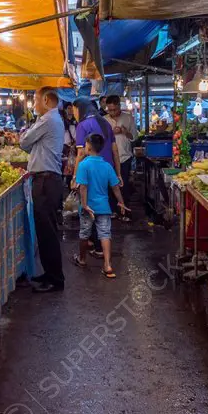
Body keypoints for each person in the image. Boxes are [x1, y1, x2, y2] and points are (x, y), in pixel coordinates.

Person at [20, 87, 66, 292]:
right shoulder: (51, 120)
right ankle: (50, 274)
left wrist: (25, 135)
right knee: (46, 230)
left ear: (46, 100)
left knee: (47, 231)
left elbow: (24, 142)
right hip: (48, 180)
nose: (34, 104)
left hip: (46, 181)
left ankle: (55, 279)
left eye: (36, 100)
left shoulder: (47, 120)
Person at [73, 133, 129, 279]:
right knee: (105, 234)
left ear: (89, 147)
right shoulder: (107, 165)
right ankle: (107, 265)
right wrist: (121, 202)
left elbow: (83, 187)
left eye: (85, 145)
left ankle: (82, 259)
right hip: (104, 207)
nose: (84, 148)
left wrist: (84, 205)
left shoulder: (84, 165)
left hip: (88, 207)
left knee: (84, 234)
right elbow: (115, 187)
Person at [71, 97, 121, 257]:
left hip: (89, 172)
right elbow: (115, 150)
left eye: (74, 110)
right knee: (102, 205)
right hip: (107, 171)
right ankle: (99, 246)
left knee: (88, 208)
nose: (73, 114)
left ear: (80, 109)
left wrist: (74, 176)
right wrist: (118, 173)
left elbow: (80, 153)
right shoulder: (105, 123)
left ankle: (92, 246)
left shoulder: (83, 125)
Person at [103, 95, 136, 220]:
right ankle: (112, 210)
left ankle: (124, 211)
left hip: (124, 157)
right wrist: (110, 132)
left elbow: (134, 137)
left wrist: (124, 131)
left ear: (119, 106)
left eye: (114, 110)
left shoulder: (128, 118)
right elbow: (99, 139)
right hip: (108, 158)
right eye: (110, 110)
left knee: (124, 184)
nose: (112, 112)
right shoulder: (104, 120)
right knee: (110, 185)